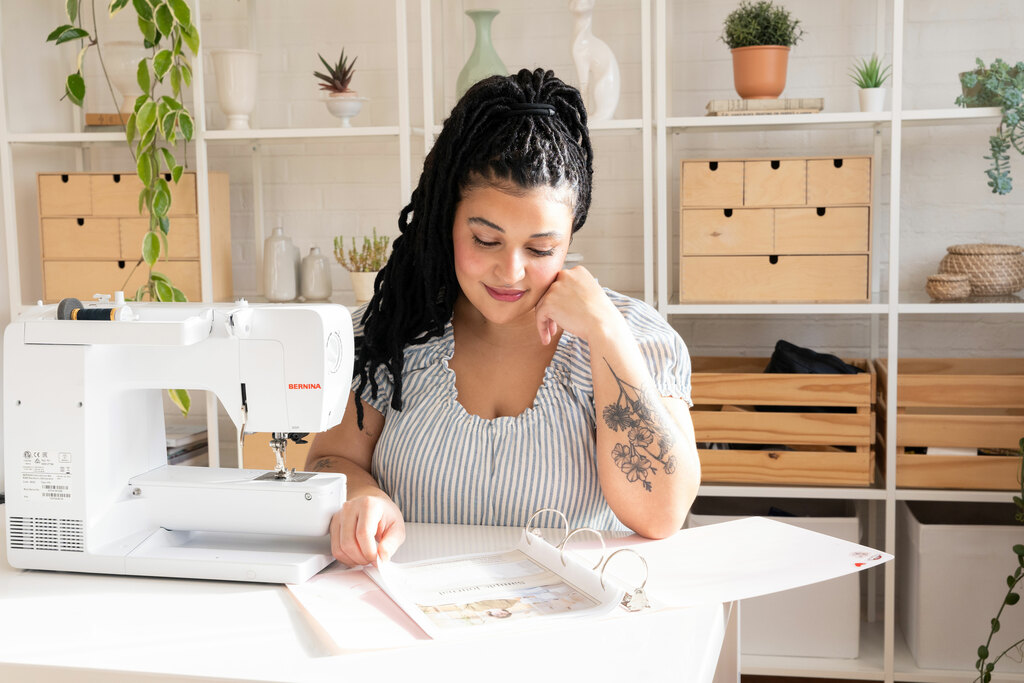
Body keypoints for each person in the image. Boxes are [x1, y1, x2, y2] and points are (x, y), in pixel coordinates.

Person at [306, 68, 700, 568]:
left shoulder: (634, 336)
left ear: (570, 239)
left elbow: (661, 514)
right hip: (413, 626)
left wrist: (605, 333)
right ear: (446, 219)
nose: (510, 272)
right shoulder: (391, 330)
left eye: (541, 248)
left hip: (579, 633)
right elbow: (330, 460)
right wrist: (363, 496)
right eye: (485, 240)